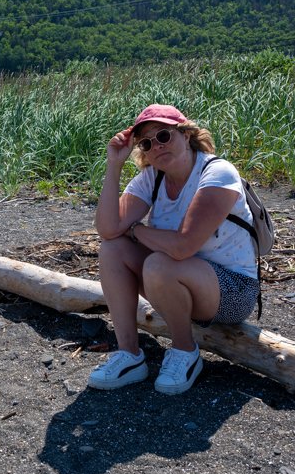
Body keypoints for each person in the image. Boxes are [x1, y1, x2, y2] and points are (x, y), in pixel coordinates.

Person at [89, 104, 260, 394]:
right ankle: (129, 354)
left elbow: (183, 247)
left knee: (159, 262)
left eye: (164, 136)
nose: (156, 146)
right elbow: (107, 229)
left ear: (185, 134)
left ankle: (185, 351)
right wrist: (113, 165)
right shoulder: (152, 178)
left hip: (233, 292)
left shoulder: (217, 172)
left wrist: (137, 229)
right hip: (177, 280)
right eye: (146, 143)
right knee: (112, 249)